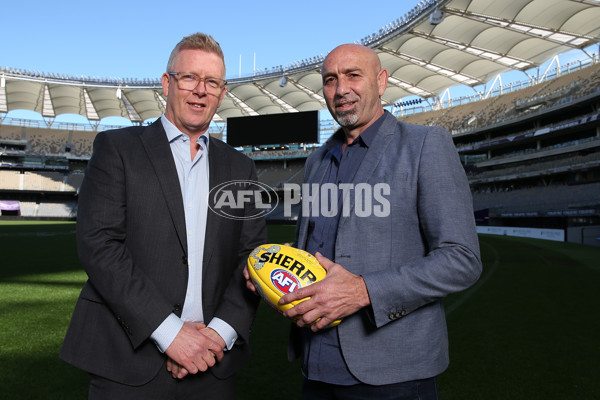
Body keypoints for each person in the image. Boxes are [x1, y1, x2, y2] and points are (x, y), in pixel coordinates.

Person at [60, 32, 267, 399]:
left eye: (212, 82)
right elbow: (100, 245)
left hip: (212, 364)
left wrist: (217, 335)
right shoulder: (118, 149)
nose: (201, 90)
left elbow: (251, 259)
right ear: (167, 83)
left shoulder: (241, 167)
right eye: (190, 78)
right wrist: (171, 334)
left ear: (221, 93)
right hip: (127, 362)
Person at [276, 44, 481, 399]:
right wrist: (276, 275)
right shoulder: (316, 162)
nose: (341, 90)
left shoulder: (425, 145)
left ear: (381, 81)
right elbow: (313, 250)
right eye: (330, 80)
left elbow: (461, 258)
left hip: (393, 375)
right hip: (316, 367)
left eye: (353, 75)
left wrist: (363, 291)